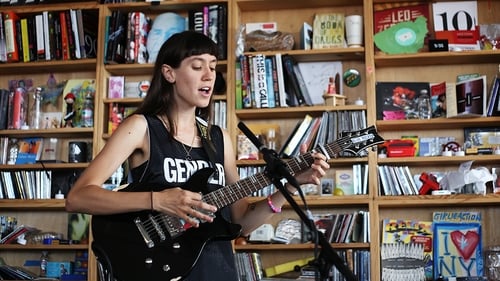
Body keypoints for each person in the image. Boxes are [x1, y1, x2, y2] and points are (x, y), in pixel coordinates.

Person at [65, 30, 330, 281]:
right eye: (197, 66)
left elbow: (242, 223)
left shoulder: (219, 138)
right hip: (158, 270)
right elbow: (78, 198)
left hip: (217, 271)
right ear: (169, 73)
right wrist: (157, 200)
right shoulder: (141, 127)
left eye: (213, 66)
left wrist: (290, 187)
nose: (209, 75)